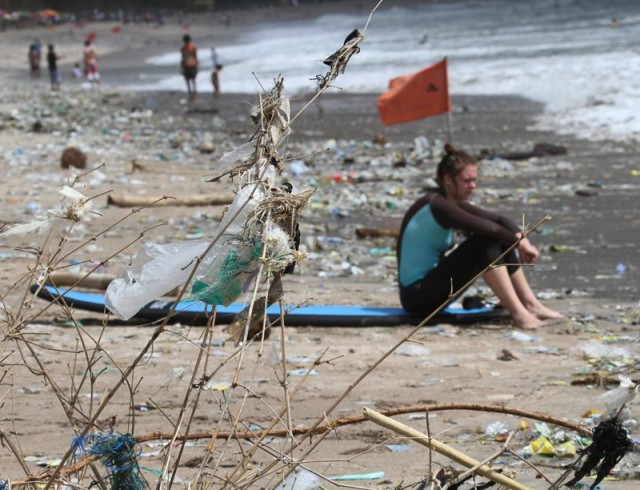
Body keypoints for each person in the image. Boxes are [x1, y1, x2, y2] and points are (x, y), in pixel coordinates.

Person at [396, 144, 563, 329]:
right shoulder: (437, 206)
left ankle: (532, 305)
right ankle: (520, 314)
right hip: (417, 296)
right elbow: (491, 230)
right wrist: (520, 246)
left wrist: (523, 241)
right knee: (484, 244)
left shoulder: (452, 203)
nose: (473, 186)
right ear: (448, 180)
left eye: (475, 180)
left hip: (433, 289)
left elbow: (501, 220)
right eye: (467, 181)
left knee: (496, 240)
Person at [180, 34, 198, 102]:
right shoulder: (189, 47)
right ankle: (191, 93)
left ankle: (193, 92)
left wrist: (197, 65)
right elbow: (183, 58)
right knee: (189, 80)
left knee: (192, 80)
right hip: (188, 65)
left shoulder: (190, 47)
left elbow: (195, 57)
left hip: (191, 65)